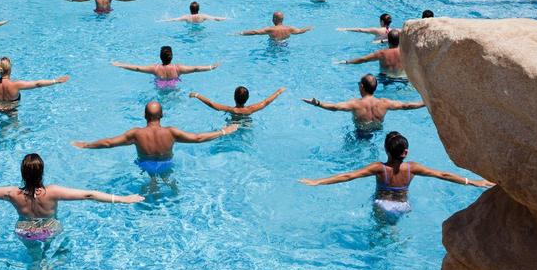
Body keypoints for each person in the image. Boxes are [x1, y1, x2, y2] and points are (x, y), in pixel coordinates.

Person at [0, 153, 143, 243]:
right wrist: (123, 199)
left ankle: (37, 267)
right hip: (50, 227)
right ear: (41, 173)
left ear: (23, 173)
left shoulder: (13, 194)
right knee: (61, 248)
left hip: (26, 231)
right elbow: (89, 195)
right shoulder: (52, 192)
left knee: (34, 260)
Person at [299, 131, 493, 222]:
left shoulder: (379, 168)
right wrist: (473, 181)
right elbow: (441, 174)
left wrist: (318, 181)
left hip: (382, 205)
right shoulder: (412, 168)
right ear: (405, 152)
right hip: (403, 206)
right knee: (393, 231)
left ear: (385, 149)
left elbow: (349, 176)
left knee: (379, 235)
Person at [72, 101, 238, 177]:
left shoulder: (136, 134)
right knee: (170, 183)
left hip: (145, 166)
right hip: (167, 164)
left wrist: (85, 145)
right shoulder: (171, 132)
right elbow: (198, 138)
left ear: (144, 115)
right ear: (162, 115)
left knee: (150, 187)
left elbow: (109, 143)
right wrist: (223, 131)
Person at [301, 74, 423, 136]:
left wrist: (318, 103)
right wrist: (425, 103)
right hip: (378, 132)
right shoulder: (384, 103)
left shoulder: (355, 104)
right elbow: (406, 105)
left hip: (360, 133)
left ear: (362, 87)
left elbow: (335, 107)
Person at [111, 46, 219, 89]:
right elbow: (195, 69)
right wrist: (210, 67)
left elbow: (137, 68)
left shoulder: (155, 68)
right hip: (173, 85)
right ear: (172, 56)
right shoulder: (178, 68)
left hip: (160, 85)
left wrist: (120, 64)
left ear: (160, 56)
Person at [341, 29, 405, 76]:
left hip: (385, 79)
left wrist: (347, 62)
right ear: (399, 41)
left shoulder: (382, 53)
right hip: (402, 78)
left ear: (388, 41)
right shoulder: (405, 52)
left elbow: (363, 59)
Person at [189, 86, 285, 117]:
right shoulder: (250, 110)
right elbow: (266, 102)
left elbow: (211, 104)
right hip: (246, 126)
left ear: (234, 97)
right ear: (247, 98)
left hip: (232, 126)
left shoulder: (231, 110)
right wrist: (278, 92)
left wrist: (197, 95)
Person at [240, 11, 311, 41]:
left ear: (274, 19)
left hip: (274, 47)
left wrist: (241, 33)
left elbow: (255, 32)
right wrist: (308, 28)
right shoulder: (290, 29)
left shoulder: (271, 29)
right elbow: (300, 31)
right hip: (285, 46)